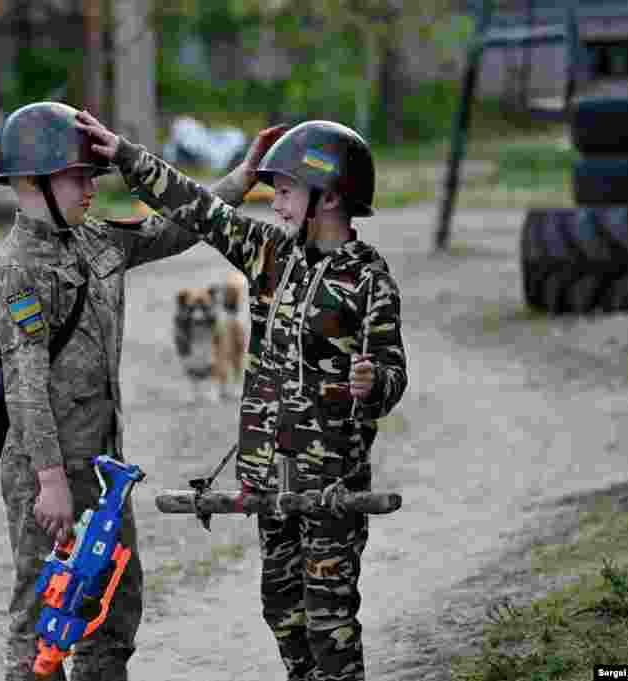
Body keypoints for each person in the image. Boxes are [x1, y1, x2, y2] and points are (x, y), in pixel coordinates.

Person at [75, 110, 408, 681]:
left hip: (331, 484)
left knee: (330, 622)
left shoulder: (369, 281)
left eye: (285, 192)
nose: (274, 203)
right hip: (267, 481)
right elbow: (197, 208)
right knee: (283, 613)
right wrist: (126, 156)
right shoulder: (268, 254)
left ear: (329, 197)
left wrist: (373, 382)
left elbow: (394, 372)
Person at [0, 100, 282, 681]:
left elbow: (172, 230)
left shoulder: (95, 241)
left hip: (103, 467)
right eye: (78, 177)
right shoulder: (17, 272)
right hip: (47, 470)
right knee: (45, 613)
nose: (92, 188)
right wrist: (50, 482)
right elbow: (25, 384)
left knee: (114, 608)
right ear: (32, 182)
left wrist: (241, 180)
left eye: (93, 176)